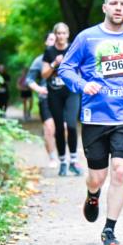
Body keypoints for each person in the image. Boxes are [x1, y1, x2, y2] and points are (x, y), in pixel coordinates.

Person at [58, 0, 123, 245]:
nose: (118, 7)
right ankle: (92, 195)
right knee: (96, 177)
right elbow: (65, 68)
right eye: (113, 3)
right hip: (95, 117)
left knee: (122, 170)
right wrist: (82, 85)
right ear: (104, 7)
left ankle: (109, 230)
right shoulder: (86, 38)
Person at [42, 22, 83, 177]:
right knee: (59, 128)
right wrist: (54, 63)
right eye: (58, 33)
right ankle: (63, 163)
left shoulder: (73, 49)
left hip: (71, 91)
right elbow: (44, 74)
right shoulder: (49, 51)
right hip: (55, 93)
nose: (60, 36)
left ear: (68, 34)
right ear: (55, 35)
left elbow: (81, 67)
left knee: (71, 125)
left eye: (63, 33)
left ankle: (73, 161)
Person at [25, 32, 58, 168]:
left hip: (63, 98)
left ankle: (63, 154)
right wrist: (39, 89)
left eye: (55, 39)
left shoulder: (66, 58)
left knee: (66, 129)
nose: (53, 41)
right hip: (46, 98)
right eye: (50, 39)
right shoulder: (40, 60)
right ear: (46, 42)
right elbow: (29, 79)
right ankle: (52, 158)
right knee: (49, 129)